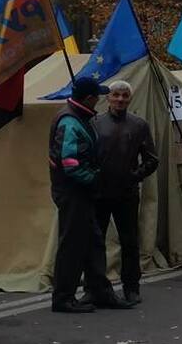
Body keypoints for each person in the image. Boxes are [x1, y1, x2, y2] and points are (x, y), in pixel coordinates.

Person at [48, 76, 129, 313]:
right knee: (72, 245)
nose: (101, 99)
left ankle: (99, 291)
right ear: (89, 98)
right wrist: (94, 179)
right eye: (98, 96)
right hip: (73, 191)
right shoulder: (70, 122)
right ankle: (63, 297)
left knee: (93, 241)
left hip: (80, 191)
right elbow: (70, 163)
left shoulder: (79, 117)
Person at [89, 79, 160, 305]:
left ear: (130, 98)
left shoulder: (139, 125)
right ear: (108, 98)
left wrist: (134, 175)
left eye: (124, 96)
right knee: (95, 242)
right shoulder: (94, 123)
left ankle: (131, 287)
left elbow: (152, 159)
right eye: (116, 95)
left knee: (129, 241)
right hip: (98, 192)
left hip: (126, 193)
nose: (120, 99)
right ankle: (94, 288)